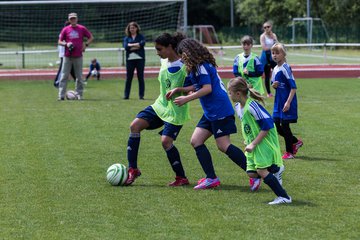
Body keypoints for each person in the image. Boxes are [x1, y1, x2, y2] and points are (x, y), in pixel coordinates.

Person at [166, 38, 248, 190]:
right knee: (196, 140)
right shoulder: (196, 66)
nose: (181, 58)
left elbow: (207, 88)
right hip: (211, 112)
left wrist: (186, 98)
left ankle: (254, 174)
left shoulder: (201, 66)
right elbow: (196, 85)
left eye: (182, 54)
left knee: (223, 146)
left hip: (220, 109)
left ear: (189, 52)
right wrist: (179, 90)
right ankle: (211, 178)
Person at [124, 32, 191, 187]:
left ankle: (181, 177)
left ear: (170, 47)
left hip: (176, 109)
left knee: (166, 142)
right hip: (160, 106)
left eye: (159, 49)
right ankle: (133, 169)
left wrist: (184, 91)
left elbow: (194, 87)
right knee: (134, 126)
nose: (157, 52)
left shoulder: (185, 66)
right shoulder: (164, 62)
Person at [227, 76, 292, 205]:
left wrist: (253, 143)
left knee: (261, 171)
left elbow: (267, 125)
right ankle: (275, 169)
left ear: (238, 93)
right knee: (251, 173)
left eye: (230, 92)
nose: (229, 95)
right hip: (253, 143)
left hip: (263, 142)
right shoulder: (237, 106)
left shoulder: (252, 106)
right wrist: (248, 140)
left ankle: (284, 197)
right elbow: (248, 125)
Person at [271, 43, 303, 159]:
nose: (274, 55)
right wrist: (273, 85)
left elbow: (293, 87)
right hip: (278, 102)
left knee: (285, 126)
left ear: (284, 54)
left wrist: (288, 102)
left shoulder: (286, 68)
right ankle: (295, 142)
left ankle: (289, 152)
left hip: (287, 101)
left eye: (277, 53)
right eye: (273, 53)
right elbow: (273, 84)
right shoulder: (275, 69)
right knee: (276, 125)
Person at [57, 12, 93, 100]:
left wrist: (86, 44)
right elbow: (59, 41)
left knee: (79, 76)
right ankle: (61, 96)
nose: (73, 20)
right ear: (69, 20)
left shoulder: (82, 28)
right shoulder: (65, 29)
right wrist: (66, 44)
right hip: (67, 56)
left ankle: (79, 94)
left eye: (74, 18)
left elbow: (91, 37)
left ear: (77, 19)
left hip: (78, 56)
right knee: (64, 76)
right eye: (71, 18)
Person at [123, 22, 146, 100]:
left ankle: (141, 95)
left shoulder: (141, 36)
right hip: (130, 60)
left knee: (140, 77)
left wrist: (131, 45)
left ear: (136, 28)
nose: (132, 29)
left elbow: (142, 44)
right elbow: (126, 47)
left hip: (140, 59)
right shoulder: (126, 38)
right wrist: (136, 45)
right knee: (129, 78)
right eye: (130, 28)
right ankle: (126, 96)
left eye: (133, 28)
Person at [54, 20, 76, 88]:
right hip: (64, 54)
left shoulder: (64, 32)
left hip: (66, 54)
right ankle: (57, 82)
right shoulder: (65, 33)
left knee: (72, 68)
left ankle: (78, 81)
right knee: (62, 69)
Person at [260, 20, 278, 98]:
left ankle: (278, 90)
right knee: (267, 75)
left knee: (277, 73)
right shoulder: (262, 36)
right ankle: (269, 93)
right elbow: (264, 48)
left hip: (273, 57)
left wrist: (275, 42)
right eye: (265, 27)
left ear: (271, 27)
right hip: (266, 57)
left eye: (268, 27)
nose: (266, 28)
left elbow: (278, 44)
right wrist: (273, 47)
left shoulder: (274, 35)